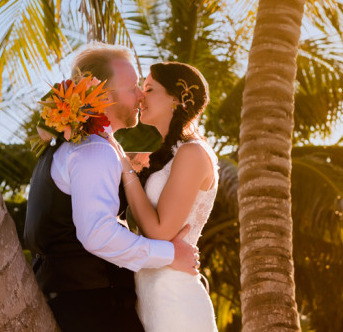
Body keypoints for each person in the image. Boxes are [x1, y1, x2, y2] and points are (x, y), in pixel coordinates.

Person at [25, 44, 200, 332]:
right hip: (95, 310)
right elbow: (96, 234)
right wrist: (171, 255)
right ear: (105, 95)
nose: (141, 95)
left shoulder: (67, 147)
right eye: (132, 87)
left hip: (70, 302)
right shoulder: (94, 150)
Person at [105, 61, 219, 332]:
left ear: (176, 100)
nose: (141, 96)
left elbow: (159, 231)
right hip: (152, 298)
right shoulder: (169, 156)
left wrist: (124, 167)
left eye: (149, 88)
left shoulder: (192, 154)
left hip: (177, 304)